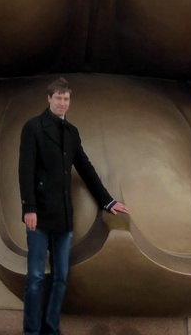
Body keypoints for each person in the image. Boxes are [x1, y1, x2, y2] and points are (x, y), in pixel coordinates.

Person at [18, 77, 128, 335]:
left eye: (66, 99)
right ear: (49, 99)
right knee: (34, 277)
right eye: (58, 98)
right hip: (39, 214)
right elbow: (25, 170)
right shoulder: (33, 128)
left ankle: (50, 328)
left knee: (60, 278)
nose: (62, 103)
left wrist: (108, 200)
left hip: (64, 216)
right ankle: (31, 331)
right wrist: (28, 208)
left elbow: (86, 168)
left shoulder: (72, 132)